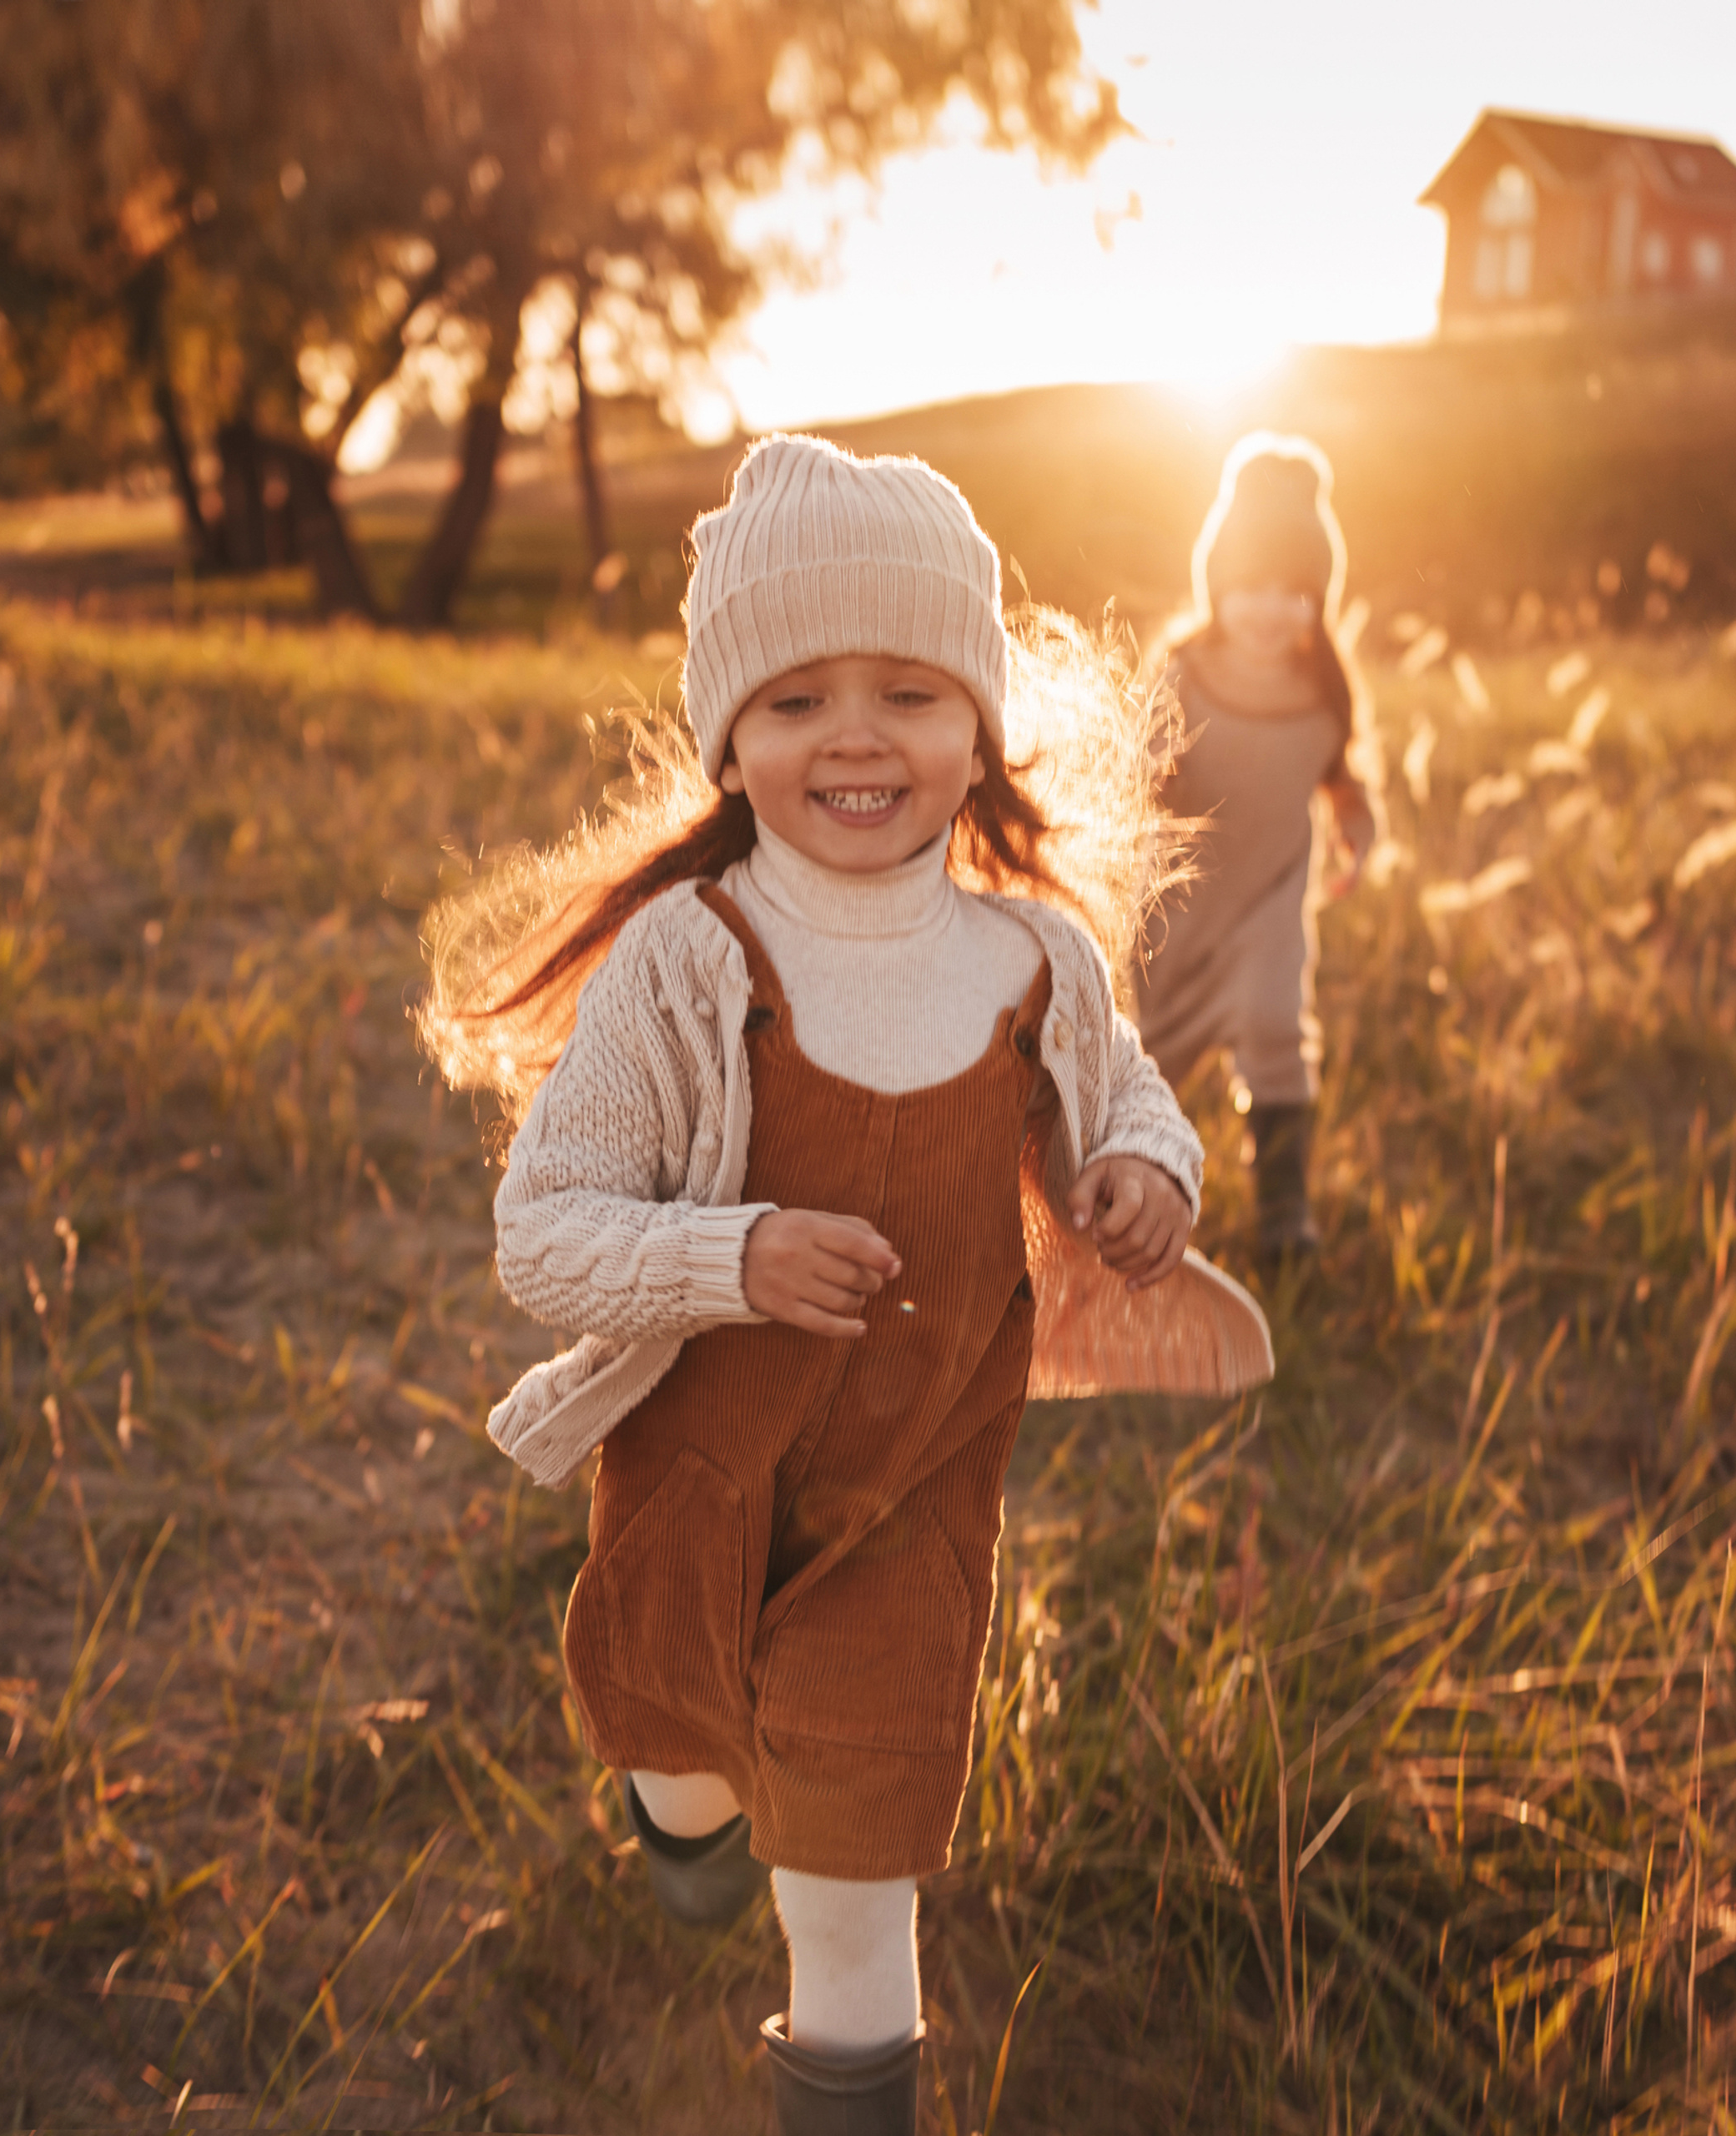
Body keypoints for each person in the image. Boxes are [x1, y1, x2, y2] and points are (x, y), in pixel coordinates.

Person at [418, 435, 1271, 2136]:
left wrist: (1145, 1173)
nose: (858, 735)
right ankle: (686, 1817)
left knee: (855, 1887)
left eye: (908, 688)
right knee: (671, 1733)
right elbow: (541, 1227)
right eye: (796, 698)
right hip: (699, 1463)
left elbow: (1128, 1096)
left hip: (918, 1487)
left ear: (978, 722)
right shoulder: (690, 956)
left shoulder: (1035, 957)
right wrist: (727, 1252)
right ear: (727, 737)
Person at [1136, 432, 1378, 1267]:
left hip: (1274, 892)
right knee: (1151, 1049)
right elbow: (1138, 773)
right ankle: (1133, 1195)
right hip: (1185, 898)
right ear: (1216, 585)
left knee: (1278, 1027)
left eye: (1294, 591)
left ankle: (1283, 1207)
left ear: (1320, 595)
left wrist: (1356, 823)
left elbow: (1338, 772)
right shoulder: (1187, 672)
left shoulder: (1322, 683)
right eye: (1249, 587)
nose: (1271, 610)